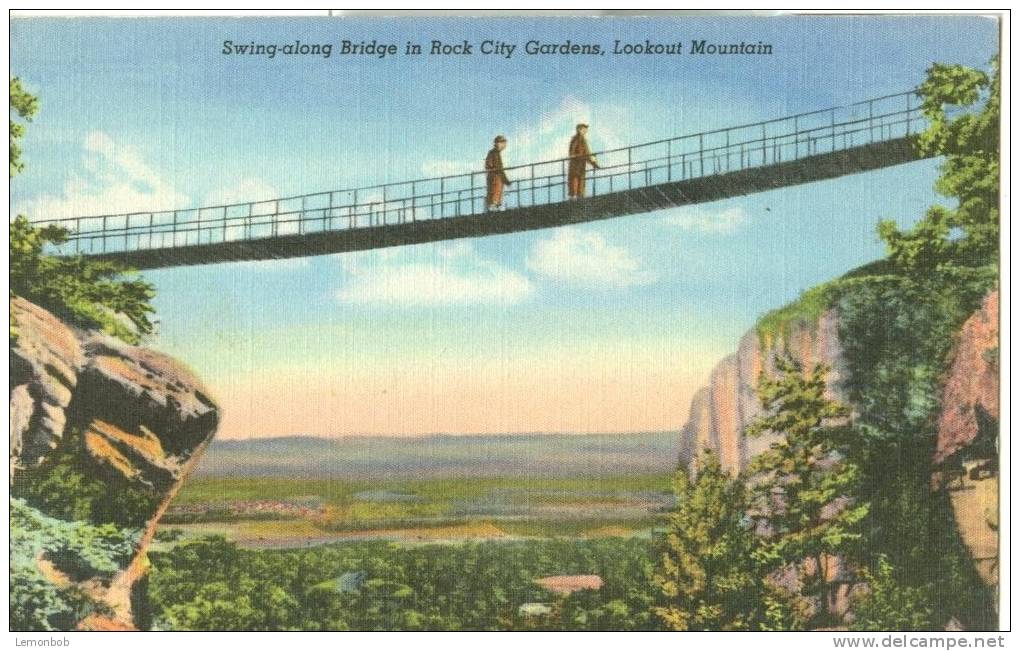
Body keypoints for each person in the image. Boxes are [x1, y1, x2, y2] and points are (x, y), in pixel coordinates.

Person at [567, 123, 600, 199]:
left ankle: (577, 196)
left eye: (586, 130)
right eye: (584, 129)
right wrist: (593, 163)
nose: (586, 131)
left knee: (579, 180)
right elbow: (574, 152)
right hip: (577, 164)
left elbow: (586, 153)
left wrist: (593, 162)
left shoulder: (579, 139)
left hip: (579, 164)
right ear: (579, 130)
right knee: (576, 180)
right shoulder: (578, 139)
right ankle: (576, 196)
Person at [485, 135, 511, 211]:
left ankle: (495, 207)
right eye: (503, 143)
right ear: (499, 143)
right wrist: (506, 181)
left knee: (495, 195)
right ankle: (494, 208)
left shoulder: (493, 153)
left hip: (494, 177)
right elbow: (498, 168)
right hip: (496, 177)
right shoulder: (495, 153)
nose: (504, 146)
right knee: (495, 195)